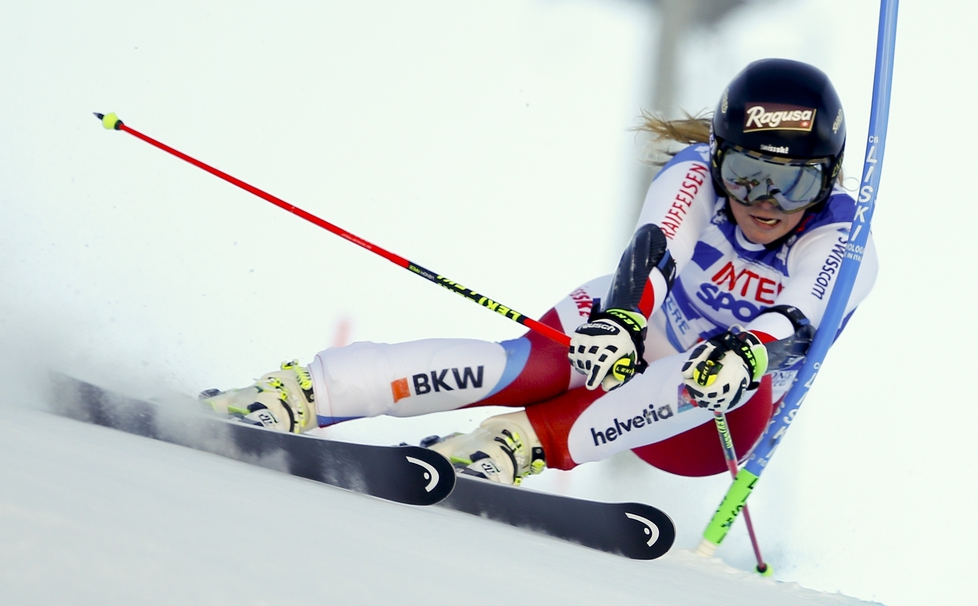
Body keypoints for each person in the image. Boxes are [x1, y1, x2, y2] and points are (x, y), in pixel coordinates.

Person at [201, 58, 878, 484]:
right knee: (535, 365)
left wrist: (745, 352)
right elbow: (655, 251)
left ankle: (522, 443)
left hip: (707, 420)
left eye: (793, 185)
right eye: (748, 175)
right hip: (649, 330)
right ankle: (308, 392)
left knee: (718, 370)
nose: (765, 203)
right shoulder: (693, 176)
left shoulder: (844, 239)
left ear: (828, 179)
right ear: (718, 155)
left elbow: (794, 318)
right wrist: (621, 321)